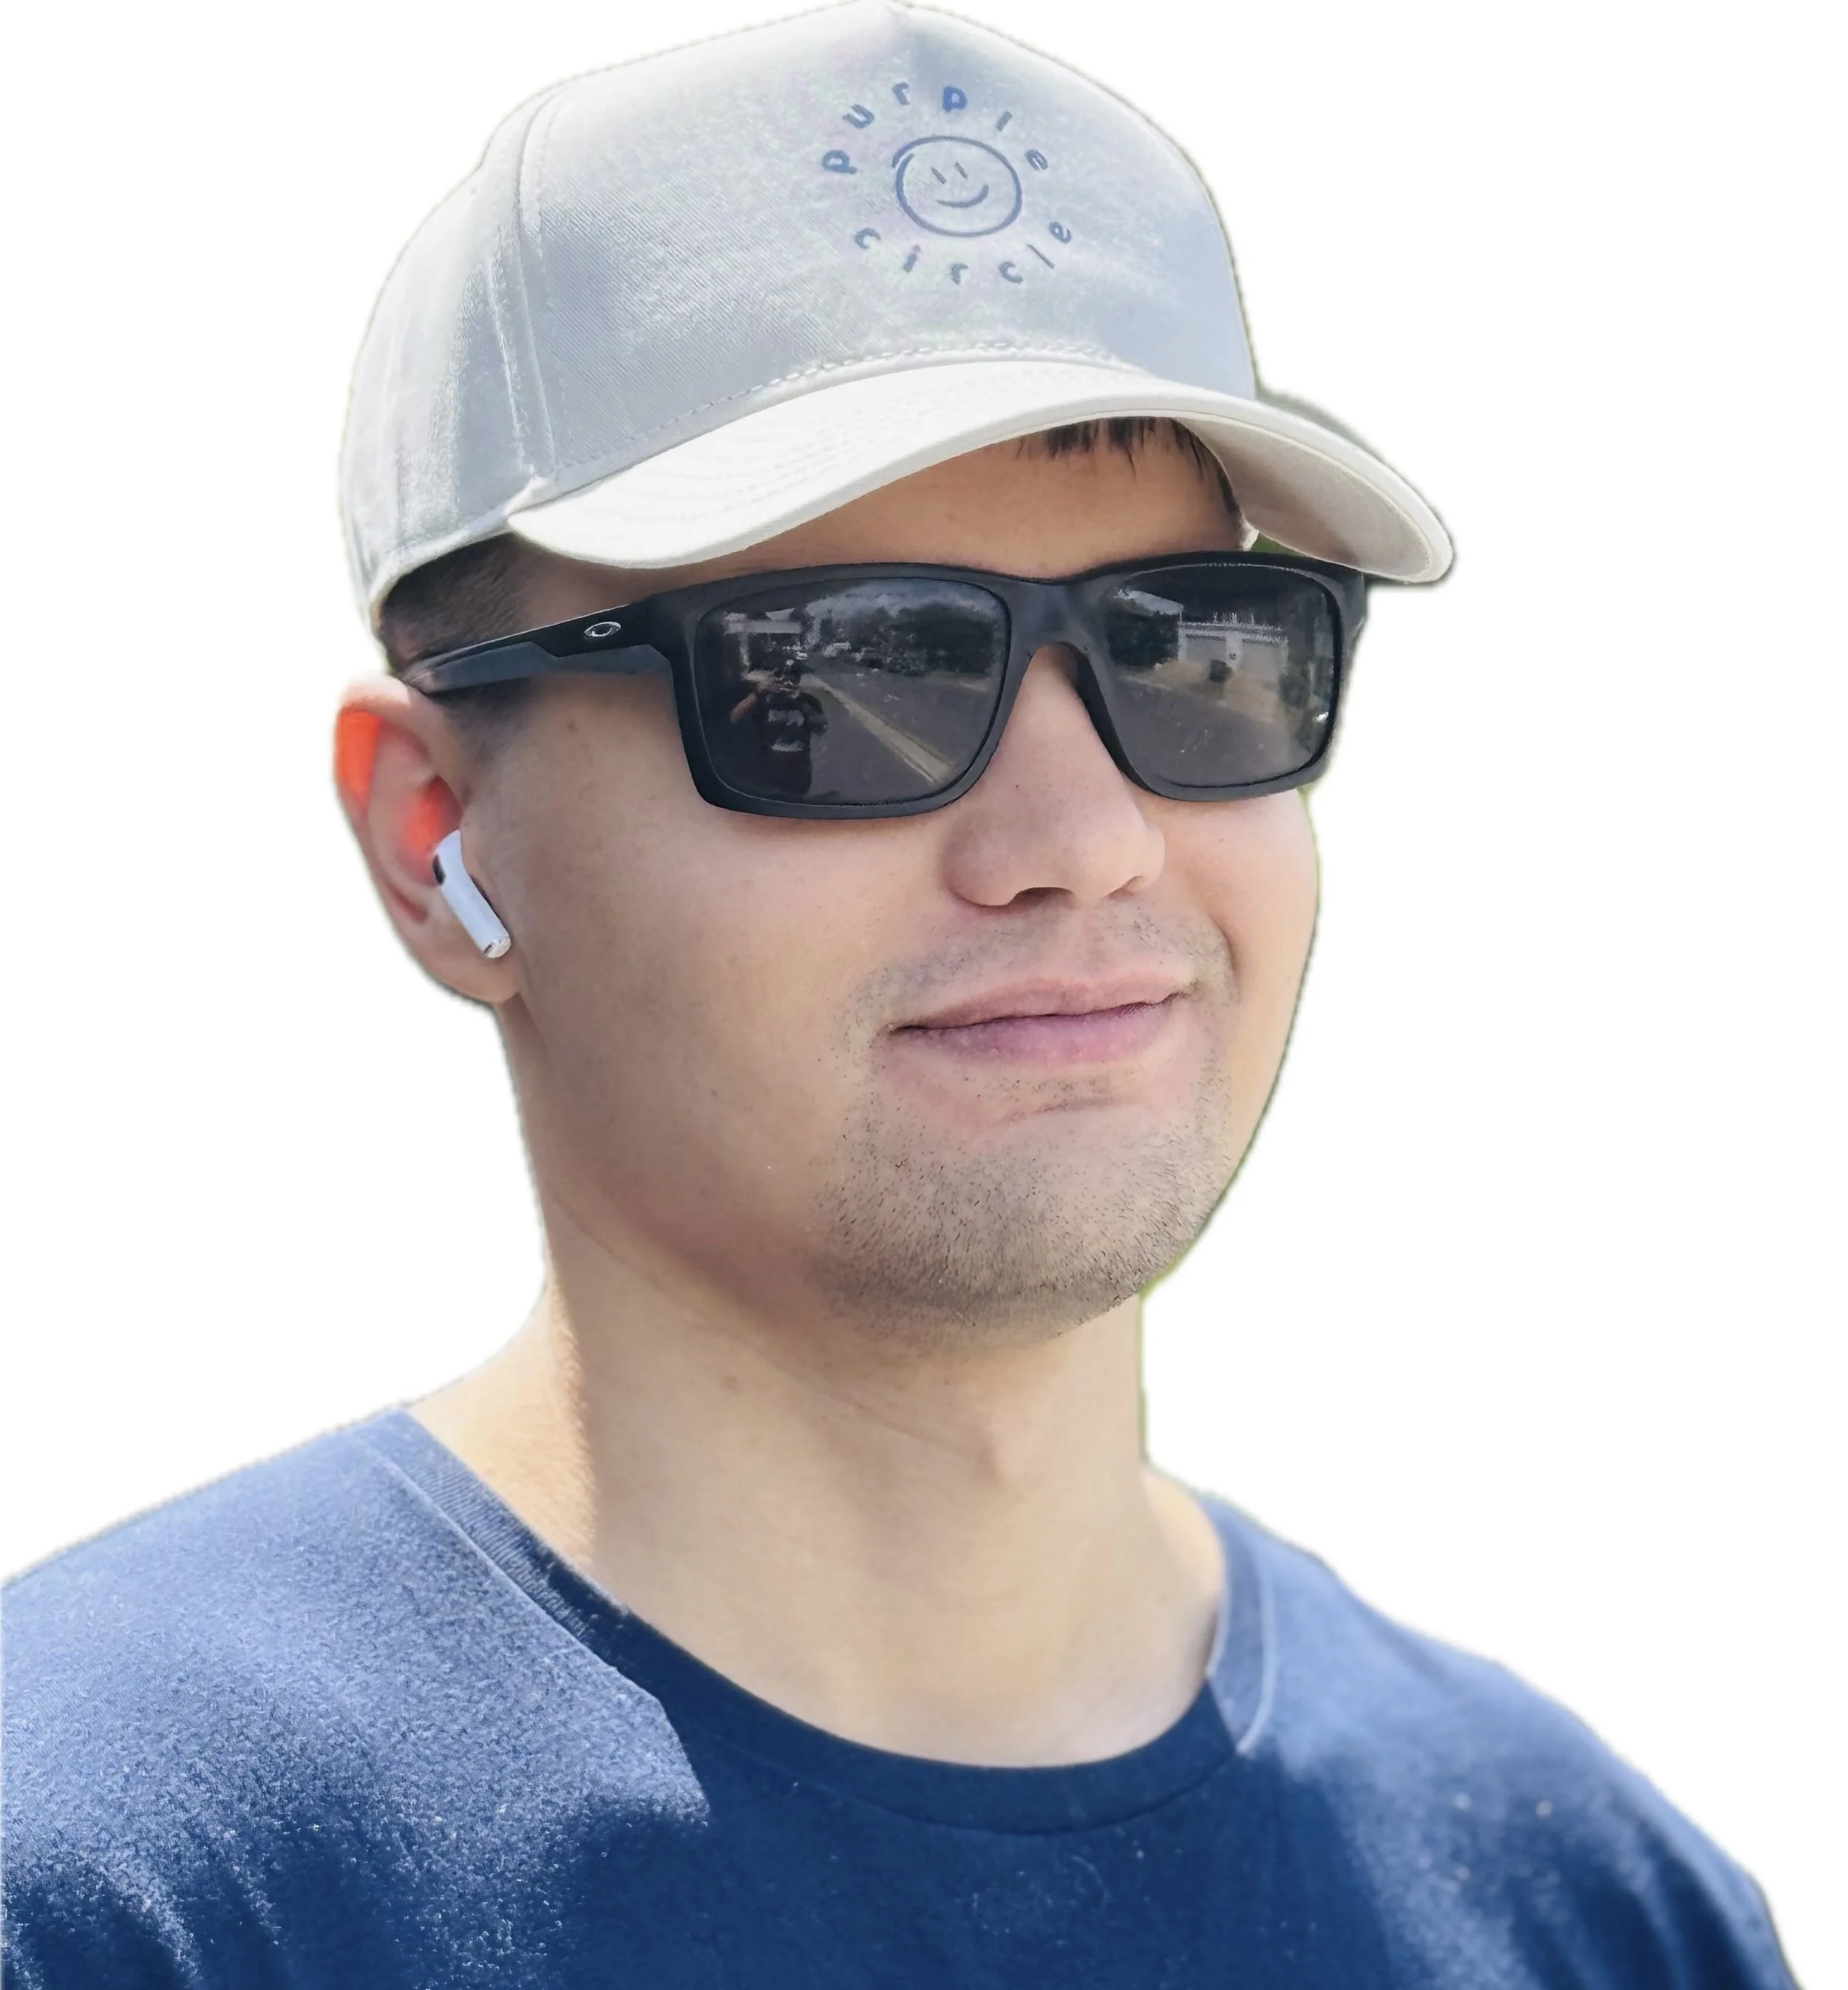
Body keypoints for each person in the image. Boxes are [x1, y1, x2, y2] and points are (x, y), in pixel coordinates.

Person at [1, 4, 1799, 1985]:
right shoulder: (114, 1879)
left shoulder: (1590, 1906)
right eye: (840, 675)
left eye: (1196, 651)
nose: (1084, 833)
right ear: (436, 830)